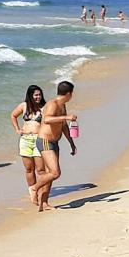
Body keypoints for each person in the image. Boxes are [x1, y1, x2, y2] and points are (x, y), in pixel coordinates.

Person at [31, 81, 78, 211]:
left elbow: (63, 125)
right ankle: (34, 188)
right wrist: (67, 117)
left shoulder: (62, 106)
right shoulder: (52, 104)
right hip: (45, 141)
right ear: (69, 94)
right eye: (72, 93)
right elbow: (47, 119)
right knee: (55, 173)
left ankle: (44, 203)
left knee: (50, 174)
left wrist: (71, 143)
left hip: (54, 142)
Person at [10, 85, 48, 205]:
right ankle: (33, 194)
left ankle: (42, 194)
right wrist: (17, 129)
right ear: (30, 96)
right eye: (36, 95)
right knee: (29, 169)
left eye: (39, 94)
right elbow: (13, 115)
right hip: (25, 140)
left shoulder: (44, 108)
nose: (38, 97)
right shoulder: (24, 105)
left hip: (38, 139)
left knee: (41, 170)